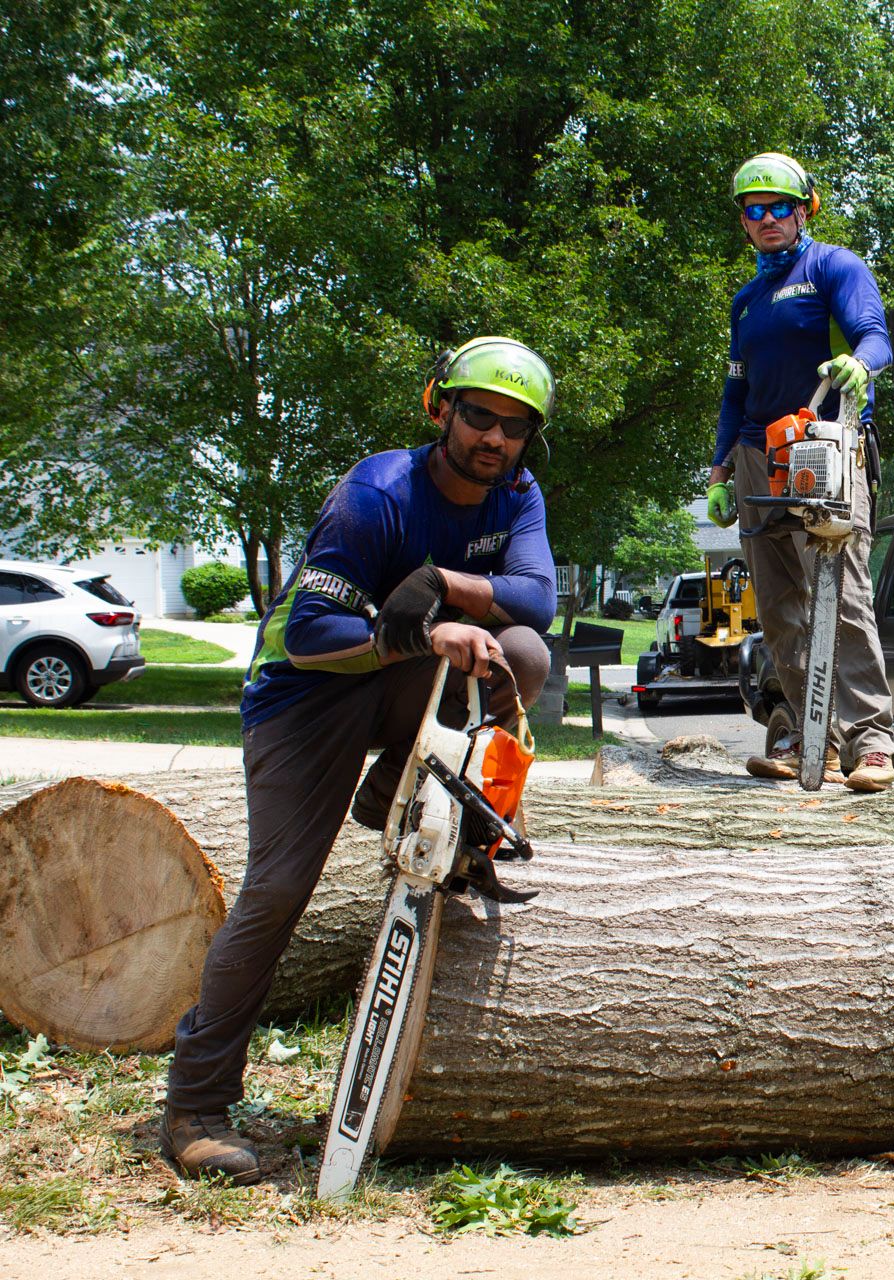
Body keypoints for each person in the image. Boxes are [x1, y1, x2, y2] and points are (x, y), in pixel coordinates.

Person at [161, 336, 560, 1183]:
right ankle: (194, 1105)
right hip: (305, 695)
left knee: (520, 654)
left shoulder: (518, 497)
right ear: (439, 407)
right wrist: (417, 630)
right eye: (479, 416)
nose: (494, 438)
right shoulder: (375, 493)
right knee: (278, 892)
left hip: (397, 673)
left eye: (514, 427)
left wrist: (441, 588)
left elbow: (536, 599)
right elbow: (308, 634)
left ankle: (394, 791)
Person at [704, 150, 894, 792]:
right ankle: (801, 733)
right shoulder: (746, 301)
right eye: (753, 210)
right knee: (782, 607)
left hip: (825, 445)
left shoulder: (832, 266)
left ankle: (870, 743)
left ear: (804, 208)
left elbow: (876, 335)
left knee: (840, 595)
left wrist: (860, 366)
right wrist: (720, 469)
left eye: (778, 206)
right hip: (759, 457)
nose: (766, 219)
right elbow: (736, 390)